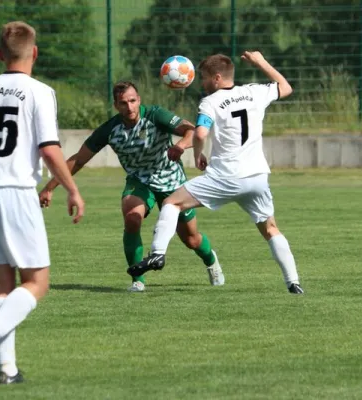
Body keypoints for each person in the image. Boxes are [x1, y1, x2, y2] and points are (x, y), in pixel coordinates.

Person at [0, 21, 85, 385]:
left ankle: (8, 371)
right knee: (37, 282)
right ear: (35, 53)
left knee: (2, 286)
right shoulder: (40, 92)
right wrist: (71, 188)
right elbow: (49, 148)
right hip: (14, 191)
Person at [128, 51, 304, 294]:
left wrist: (198, 154)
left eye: (204, 78)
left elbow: (200, 133)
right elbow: (285, 87)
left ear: (218, 78)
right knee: (270, 228)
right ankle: (293, 283)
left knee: (172, 203)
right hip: (257, 177)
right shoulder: (254, 92)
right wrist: (260, 61)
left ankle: (158, 254)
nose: (202, 82)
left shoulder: (210, 102)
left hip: (225, 176)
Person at [38, 81, 224, 292]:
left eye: (133, 101)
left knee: (191, 239)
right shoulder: (109, 129)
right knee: (132, 217)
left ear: (139, 100)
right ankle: (138, 280)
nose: (130, 107)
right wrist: (50, 187)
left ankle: (211, 261)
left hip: (171, 179)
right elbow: (78, 160)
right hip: (139, 180)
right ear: (116, 106)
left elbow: (191, 130)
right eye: (123, 103)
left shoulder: (155, 115)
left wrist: (180, 146)